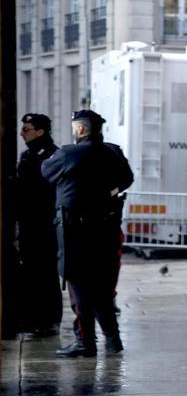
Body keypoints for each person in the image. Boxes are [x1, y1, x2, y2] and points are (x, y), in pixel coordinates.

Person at [42, 109, 134, 357]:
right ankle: (113, 340)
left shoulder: (68, 153)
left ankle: (85, 342)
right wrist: (108, 193)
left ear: (80, 129)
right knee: (103, 289)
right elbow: (127, 179)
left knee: (80, 290)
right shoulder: (113, 151)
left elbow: (46, 173)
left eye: (75, 127)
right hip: (106, 230)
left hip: (77, 234)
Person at [15, 113, 62, 336]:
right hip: (27, 223)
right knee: (29, 271)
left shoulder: (53, 155)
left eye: (26, 129)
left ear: (40, 131)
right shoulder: (27, 156)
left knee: (46, 272)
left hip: (45, 223)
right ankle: (31, 318)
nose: (22, 133)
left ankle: (48, 319)